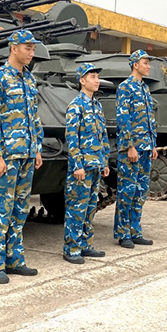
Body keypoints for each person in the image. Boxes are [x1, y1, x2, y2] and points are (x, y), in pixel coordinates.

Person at [0, 29, 44, 284]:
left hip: (27, 156)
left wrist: (37, 148)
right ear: (13, 48)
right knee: (0, 210)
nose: (32, 53)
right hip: (7, 157)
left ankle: (15, 259)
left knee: (20, 211)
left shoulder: (29, 79)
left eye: (33, 49)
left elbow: (34, 117)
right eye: (27, 48)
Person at [62, 63, 111, 264]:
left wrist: (105, 161)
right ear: (82, 81)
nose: (97, 80)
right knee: (76, 208)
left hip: (96, 165)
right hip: (81, 167)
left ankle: (85, 245)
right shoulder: (75, 106)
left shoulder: (97, 106)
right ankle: (71, 249)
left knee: (90, 207)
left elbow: (103, 136)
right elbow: (72, 138)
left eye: (97, 77)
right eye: (92, 77)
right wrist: (77, 165)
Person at [114, 49, 158, 248]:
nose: (148, 66)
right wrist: (129, 146)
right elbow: (124, 119)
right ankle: (123, 234)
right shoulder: (125, 88)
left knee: (140, 192)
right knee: (127, 191)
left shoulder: (144, 88)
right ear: (135, 65)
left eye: (149, 63)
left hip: (146, 148)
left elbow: (150, 120)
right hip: (132, 149)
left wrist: (153, 144)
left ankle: (135, 230)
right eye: (145, 63)